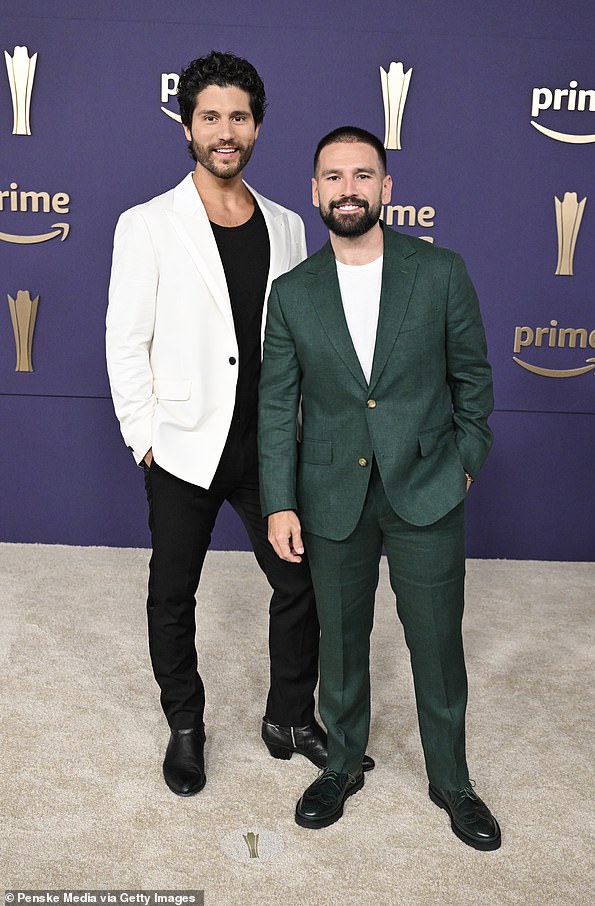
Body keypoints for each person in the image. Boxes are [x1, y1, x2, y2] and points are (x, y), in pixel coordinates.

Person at [106, 53, 373, 797]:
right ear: (188, 125)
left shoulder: (289, 225)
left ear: (257, 126)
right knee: (172, 595)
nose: (226, 132)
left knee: (301, 582)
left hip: (270, 446)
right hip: (185, 444)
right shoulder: (148, 224)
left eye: (240, 118)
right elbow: (125, 340)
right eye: (211, 117)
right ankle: (185, 726)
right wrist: (146, 439)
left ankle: (290, 716)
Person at [258, 126, 500, 850]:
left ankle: (452, 781)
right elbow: (277, 405)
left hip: (427, 487)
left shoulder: (441, 272)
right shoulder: (292, 292)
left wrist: (463, 464)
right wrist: (278, 500)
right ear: (315, 192)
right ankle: (339, 764)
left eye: (363, 175)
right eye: (333, 177)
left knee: (436, 644)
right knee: (341, 640)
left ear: (387, 188)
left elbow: (474, 385)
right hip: (331, 493)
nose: (349, 189)